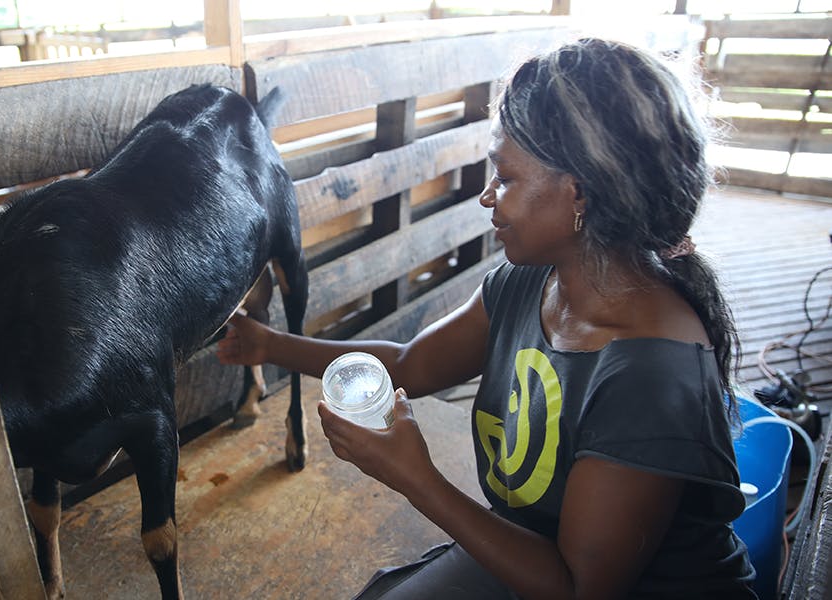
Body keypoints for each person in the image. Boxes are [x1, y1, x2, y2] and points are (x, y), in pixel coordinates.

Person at [217, 37, 758, 599]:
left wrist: (416, 479)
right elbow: (410, 363)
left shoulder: (650, 376)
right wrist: (269, 346)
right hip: (533, 546)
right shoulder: (534, 280)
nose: (487, 196)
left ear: (580, 193)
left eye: (505, 177)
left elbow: (579, 589)